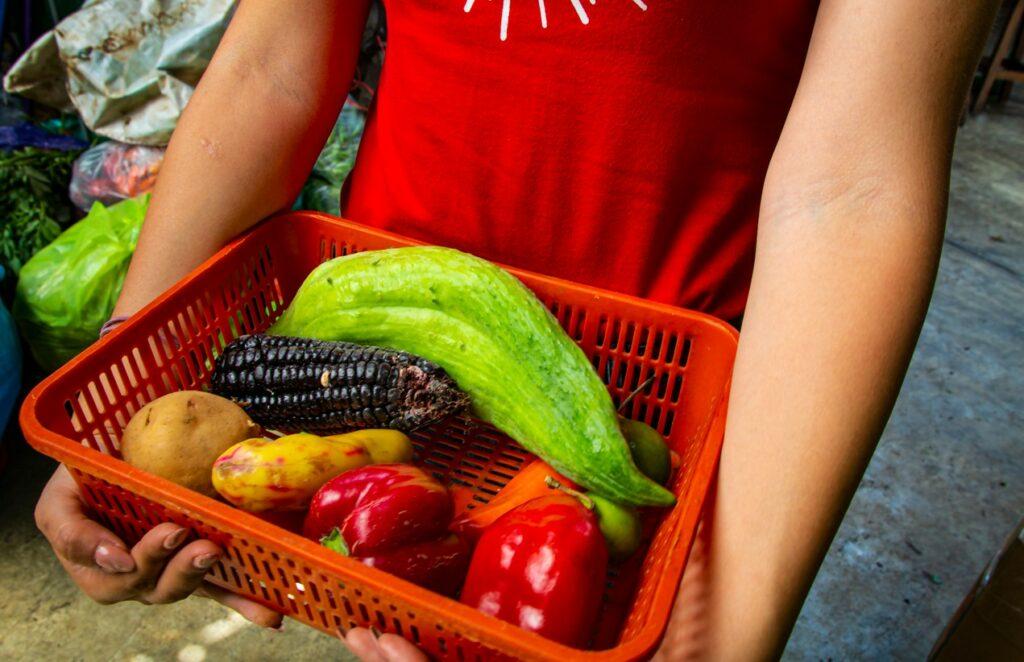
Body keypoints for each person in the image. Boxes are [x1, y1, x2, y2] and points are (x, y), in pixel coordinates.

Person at [33, 1, 998, 659]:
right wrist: (127, 381)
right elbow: (272, 63)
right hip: (373, 364)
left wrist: (731, 630)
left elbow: (853, 190)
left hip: (652, 417)